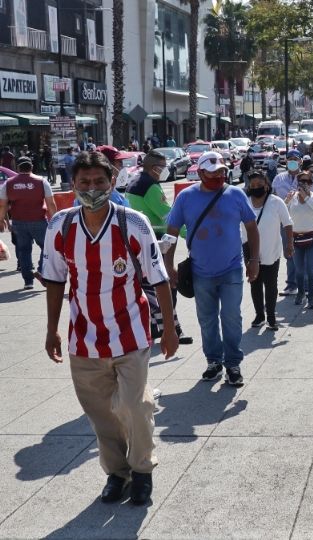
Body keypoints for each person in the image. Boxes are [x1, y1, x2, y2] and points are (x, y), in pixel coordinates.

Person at [42, 150, 178, 506]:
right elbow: (55, 281)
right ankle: (117, 474)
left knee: (134, 406)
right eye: (84, 182)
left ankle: (143, 471)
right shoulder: (61, 225)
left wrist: (169, 329)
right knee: (101, 415)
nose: (92, 188)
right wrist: (52, 329)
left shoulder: (131, 223)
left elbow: (158, 278)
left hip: (131, 334)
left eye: (99, 181)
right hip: (84, 341)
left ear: (112, 182)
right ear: (72, 185)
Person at [164, 151, 260, 387]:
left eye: (221, 172)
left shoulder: (236, 194)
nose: (218, 176)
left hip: (232, 269)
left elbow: (251, 227)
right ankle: (214, 361)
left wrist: (254, 260)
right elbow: (171, 234)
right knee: (207, 320)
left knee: (231, 317)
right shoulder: (185, 198)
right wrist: (168, 267)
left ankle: (233, 364)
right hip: (200, 271)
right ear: (200, 172)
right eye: (212, 172)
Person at [125, 150, 193, 345]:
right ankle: (173, 330)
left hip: (137, 241)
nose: (166, 170)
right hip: (156, 241)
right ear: (155, 168)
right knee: (166, 286)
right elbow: (168, 217)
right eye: (163, 167)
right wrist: (191, 236)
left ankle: (154, 328)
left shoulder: (135, 181)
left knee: (148, 288)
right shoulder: (151, 187)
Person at [0, 157, 57, 288]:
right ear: (31, 167)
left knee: (24, 251)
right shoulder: (42, 181)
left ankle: (28, 282)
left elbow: (2, 205)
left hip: (19, 222)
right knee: (47, 247)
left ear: (18, 168)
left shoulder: (8, 183)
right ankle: (41, 270)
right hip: (39, 220)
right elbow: (51, 203)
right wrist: (55, 220)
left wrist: (1, 219)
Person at [245, 172, 293, 329]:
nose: (256, 188)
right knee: (255, 284)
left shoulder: (276, 202)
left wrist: (290, 244)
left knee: (271, 286)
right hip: (250, 251)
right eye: (252, 186)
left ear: (266, 186)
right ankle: (259, 316)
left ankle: (271, 317)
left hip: (271, 252)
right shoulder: (245, 203)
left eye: (259, 185)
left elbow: (287, 223)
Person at [286, 172, 313, 308]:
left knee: (310, 269)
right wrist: (286, 201)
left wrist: (306, 197)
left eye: (307, 182)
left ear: (311, 183)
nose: (304, 184)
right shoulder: (293, 197)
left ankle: (311, 297)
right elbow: (282, 215)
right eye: (301, 181)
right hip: (296, 238)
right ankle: (301, 292)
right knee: (299, 270)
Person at [271, 150, 302, 296]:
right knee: (289, 251)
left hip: (303, 220)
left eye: (295, 159)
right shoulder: (279, 178)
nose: (292, 161)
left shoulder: (306, 177)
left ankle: (306, 281)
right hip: (285, 222)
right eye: (289, 159)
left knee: (303, 253)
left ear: (300, 161)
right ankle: (292, 284)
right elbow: (273, 198)